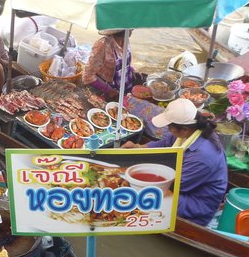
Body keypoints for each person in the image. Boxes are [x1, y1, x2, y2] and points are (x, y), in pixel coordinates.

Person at [122, 98, 227, 226]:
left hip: (195, 204)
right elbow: (165, 143)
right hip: (184, 187)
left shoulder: (203, 157)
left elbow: (174, 185)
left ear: (184, 130)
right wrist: (137, 147)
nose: (167, 129)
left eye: (169, 126)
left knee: (142, 195)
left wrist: (132, 183)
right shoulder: (190, 131)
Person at [83, 29, 143, 100]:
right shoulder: (102, 45)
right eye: (130, 29)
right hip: (111, 90)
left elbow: (124, 61)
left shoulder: (125, 40)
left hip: (126, 84)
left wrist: (131, 70)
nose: (131, 31)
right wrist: (109, 90)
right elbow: (87, 76)